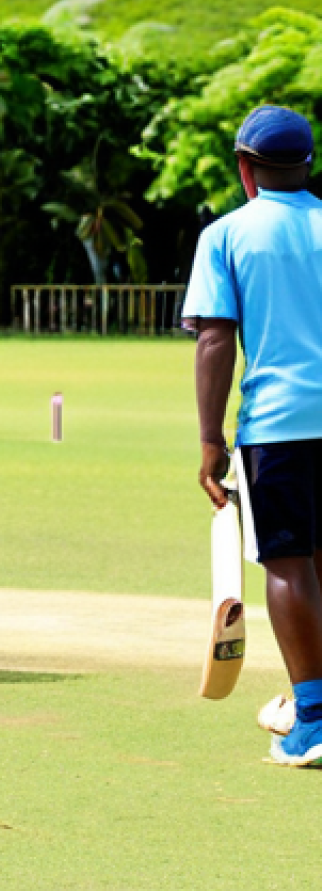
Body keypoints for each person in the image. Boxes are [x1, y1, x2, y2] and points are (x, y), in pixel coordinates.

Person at [184, 105, 322, 767]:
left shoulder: (225, 235)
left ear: (245, 169)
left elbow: (215, 339)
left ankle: (314, 720)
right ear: (308, 166)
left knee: (290, 565)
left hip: (278, 426)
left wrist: (210, 439)